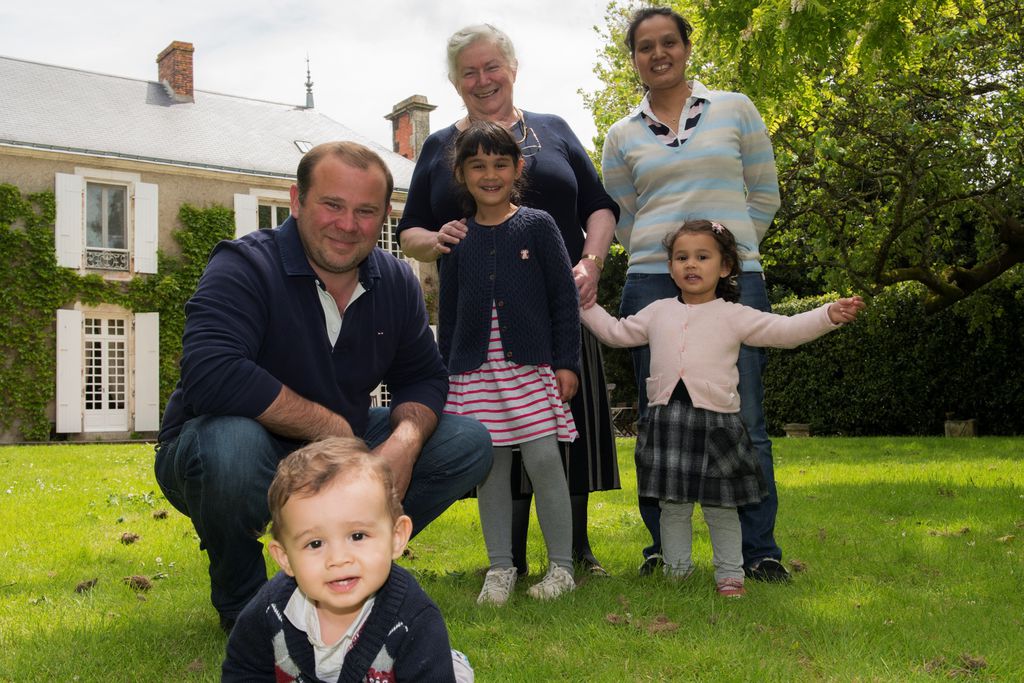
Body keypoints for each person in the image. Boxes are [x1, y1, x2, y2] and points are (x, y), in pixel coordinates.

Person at [154, 141, 493, 631]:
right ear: (297, 201)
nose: (347, 224)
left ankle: (335, 578)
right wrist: (333, 428)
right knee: (231, 446)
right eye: (332, 205)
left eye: (365, 211)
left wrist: (403, 444)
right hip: (219, 446)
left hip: (342, 449)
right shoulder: (245, 265)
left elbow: (421, 376)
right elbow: (212, 371)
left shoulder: (396, 280)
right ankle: (246, 605)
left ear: (384, 219)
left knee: (468, 442)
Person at [398, 23, 620, 578]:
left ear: (513, 69)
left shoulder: (554, 130)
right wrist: (439, 239)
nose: (483, 79)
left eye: (491, 66)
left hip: (561, 306)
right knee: (496, 436)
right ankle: (510, 559)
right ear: (455, 83)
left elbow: (599, 205)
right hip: (480, 321)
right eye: (468, 72)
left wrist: (590, 262)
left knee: (564, 433)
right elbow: (410, 233)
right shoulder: (438, 146)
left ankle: (574, 554)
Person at [601, 6, 790, 580]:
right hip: (652, 283)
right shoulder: (621, 135)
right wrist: (667, 256)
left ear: (686, 47)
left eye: (668, 42)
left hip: (736, 280)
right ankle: (664, 551)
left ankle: (758, 554)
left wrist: (725, 255)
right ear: (632, 58)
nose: (657, 54)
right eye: (644, 47)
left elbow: (763, 193)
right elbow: (626, 214)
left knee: (745, 421)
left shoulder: (734, 108)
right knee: (660, 424)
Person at [582, 220, 865, 596]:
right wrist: (583, 305)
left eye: (702, 257)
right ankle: (676, 571)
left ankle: (730, 574)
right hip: (668, 421)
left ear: (726, 266)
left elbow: (784, 330)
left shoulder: (734, 314)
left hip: (718, 425)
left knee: (721, 507)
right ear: (670, 268)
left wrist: (827, 315)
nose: (691, 265)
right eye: (681, 258)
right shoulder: (657, 311)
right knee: (673, 505)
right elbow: (616, 333)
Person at [440, 121, 581, 604]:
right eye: (477, 165)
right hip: (475, 373)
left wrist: (567, 363)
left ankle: (562, 568)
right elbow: (450, 313)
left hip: (530, 369)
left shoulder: (538, 226)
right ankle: (501, 568)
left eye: (501, 164)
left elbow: (564, 299)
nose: (490, 174)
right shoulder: (457, 240)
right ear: (461, 173)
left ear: (518, 168)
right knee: (490, 470)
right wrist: (445, 376)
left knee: (544, 461)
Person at [223, 437, 474, 682]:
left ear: (396, 537)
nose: (338, 559)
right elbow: (243, 669)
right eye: (315, 543)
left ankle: (454, 664)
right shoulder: (272, 608)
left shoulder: (413, 619)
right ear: (285, 558)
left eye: (357, 535)